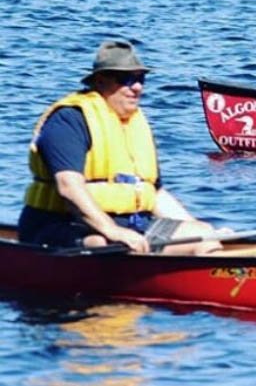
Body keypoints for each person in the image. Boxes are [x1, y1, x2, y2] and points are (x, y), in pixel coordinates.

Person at [18, 40, 227, 255]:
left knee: (204, 235)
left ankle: (225, 273)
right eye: (125, 79)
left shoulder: (135, 124)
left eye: (140, 79)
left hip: (132, 226)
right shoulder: (69, 120)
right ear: (100, 81)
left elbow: (154, 193)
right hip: (62, 225)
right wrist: (113, 230)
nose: (136, 87)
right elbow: (68, 187)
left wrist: (206, 231)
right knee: (101, 243)